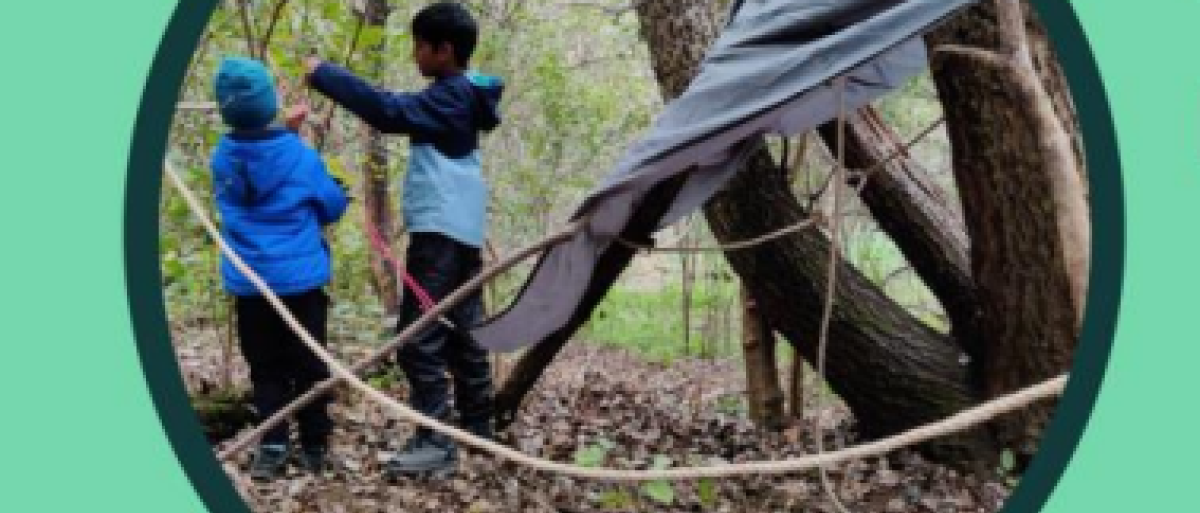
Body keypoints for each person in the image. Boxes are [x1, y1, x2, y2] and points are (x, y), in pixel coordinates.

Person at [304, 1, 503, 477]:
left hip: (440, 234)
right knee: (463, 328)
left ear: (444, 50)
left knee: (418, 337)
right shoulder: (462, 94)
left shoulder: (450, 96)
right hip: (461, 229)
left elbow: (389, 111)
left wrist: (325, 74)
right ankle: (477, 426)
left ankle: (435, 439)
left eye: (419, 46)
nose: (414, 54)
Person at [211, 56, 350, 481]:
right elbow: (330, 206)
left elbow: (257, 175)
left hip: (252, 287)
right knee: (310, 362)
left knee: (265, 365)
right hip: (301, 284)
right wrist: (340, 192)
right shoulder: (300, 157)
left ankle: (272, 444)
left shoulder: (223, 160)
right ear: (271, 104)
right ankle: (313, 444)